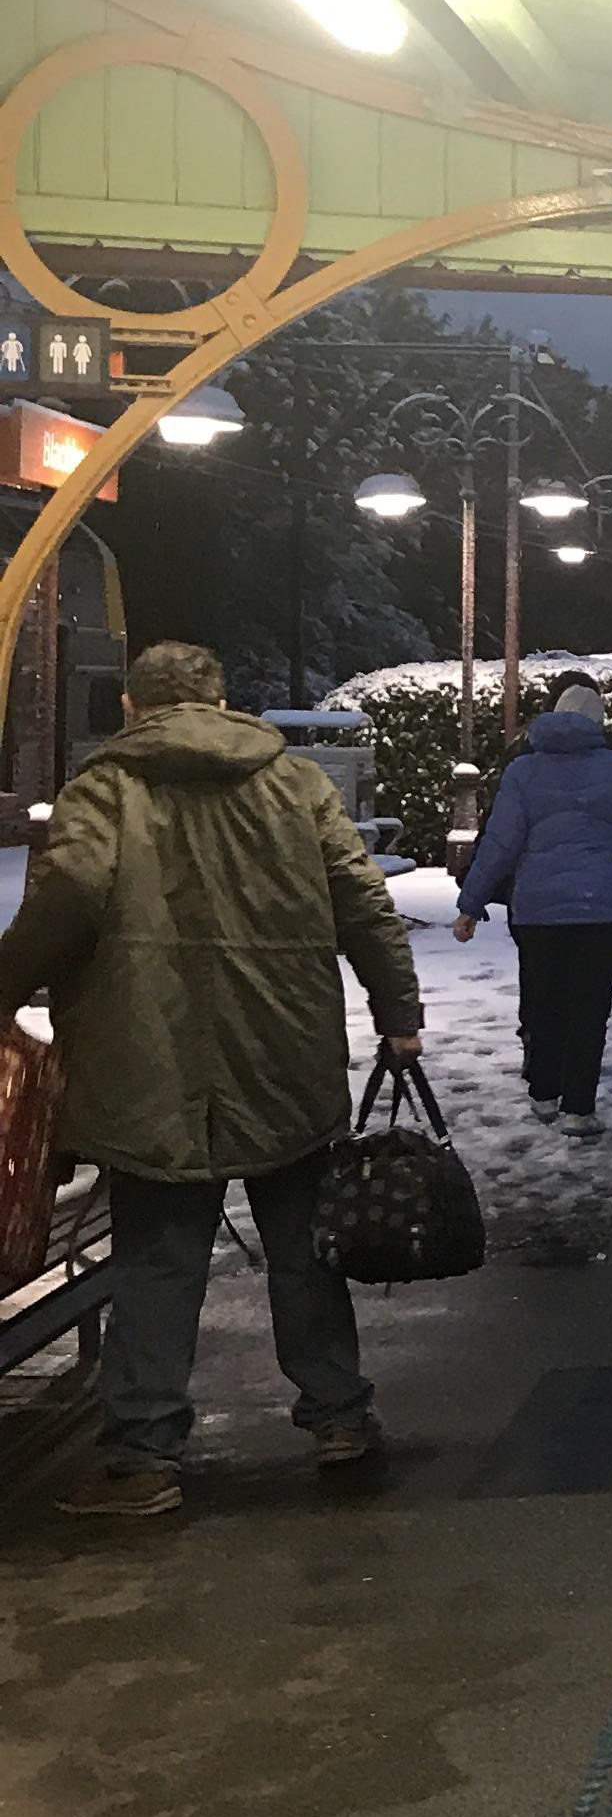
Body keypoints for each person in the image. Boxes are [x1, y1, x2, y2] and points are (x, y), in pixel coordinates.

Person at [0, 637, 426, 1524]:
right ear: (225, 699)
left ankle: (143, 1459)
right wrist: (397, 1010)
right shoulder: (296, 784)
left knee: (157, 1261)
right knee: (306, 1246)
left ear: (132, 706)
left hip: (145, 1052)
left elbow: (69, 897)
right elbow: (363, 899)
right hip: (284, 1049)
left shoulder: (106, 790)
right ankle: (339, 1416)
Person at [452, 676, 612, 1131]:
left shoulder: (524, 771)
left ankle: (543, 1093)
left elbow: (499, 842)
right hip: (604, 906)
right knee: (590, 1005)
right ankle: (579, 1107)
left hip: (537, 906)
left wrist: (471, 904)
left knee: (544, 998)